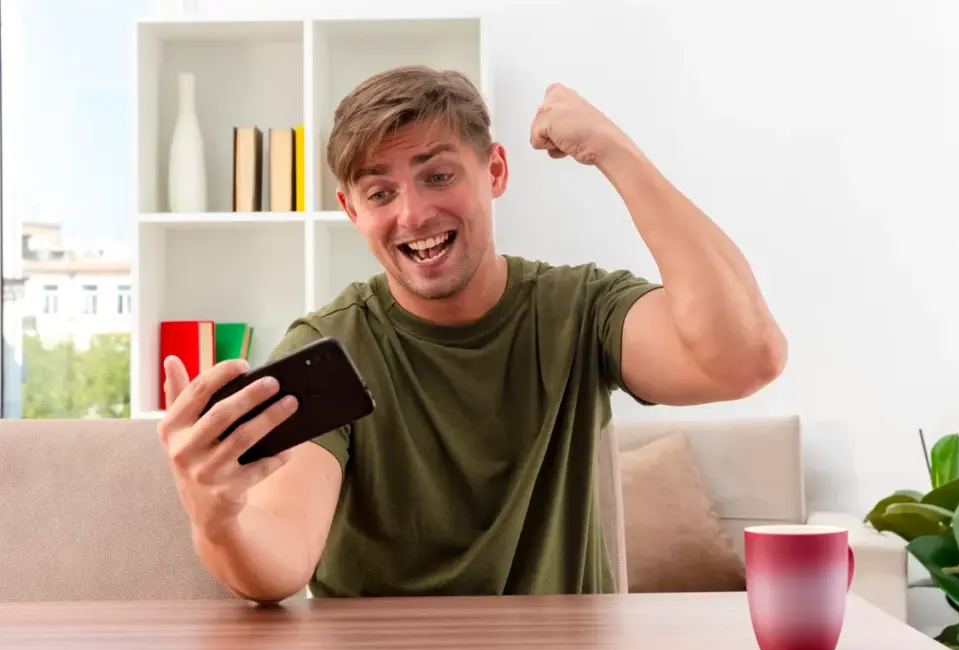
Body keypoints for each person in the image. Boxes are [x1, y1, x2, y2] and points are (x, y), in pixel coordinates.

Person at [157, 66, 787, 603]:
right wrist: (218, 519)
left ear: (495, 171)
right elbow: (283, 560)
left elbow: (746, 358)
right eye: (380, 192)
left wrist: (614, 151)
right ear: (352, 212)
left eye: (437, 175)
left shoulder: (580, 310)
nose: (413, 214)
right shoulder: (330, 347)